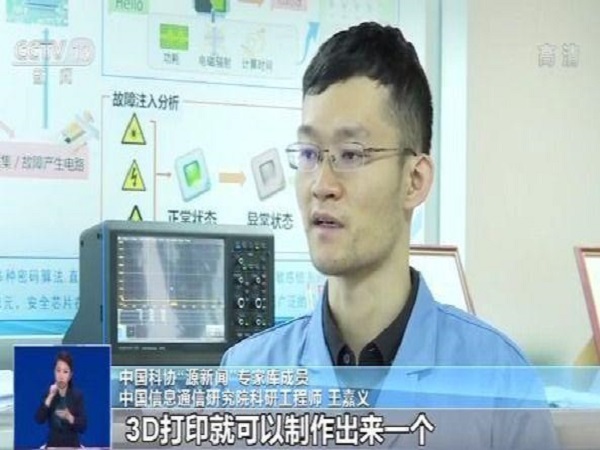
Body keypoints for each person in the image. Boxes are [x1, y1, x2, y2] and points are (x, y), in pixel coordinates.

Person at [221, 22, 559, 448]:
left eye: (351, 155)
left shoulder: (498, 382)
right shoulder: (245, 378)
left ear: (414, 180)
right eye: (309, 154)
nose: (321, 184)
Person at [35, 351, 87, 448]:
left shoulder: (77, 396)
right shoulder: (48, 394)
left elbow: (83, 427)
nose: (61, 376)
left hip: (72, 445)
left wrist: (69, 417)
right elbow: (39, 419)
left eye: (65, 372)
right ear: (54, 372)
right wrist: (50, 397)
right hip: (53, 444)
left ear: (70, 375)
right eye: (58, 370)